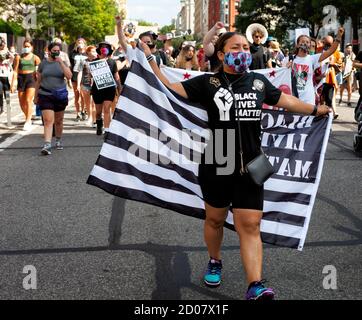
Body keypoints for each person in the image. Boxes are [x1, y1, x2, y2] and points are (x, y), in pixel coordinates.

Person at [139, 32, 331, 300]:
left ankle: (255, 285)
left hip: (252, 162)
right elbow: (171, 87)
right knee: (215, 219)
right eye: (235, 47)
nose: (243, 51)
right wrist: (149, 59)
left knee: (250, 225)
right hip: (218, 158)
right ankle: (215, 260)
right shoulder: (209, 83)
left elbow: (287, 102)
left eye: (246, 47)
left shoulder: (259, 82)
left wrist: (315, 110)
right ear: (221, 54)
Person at [282, 27, 344, 109]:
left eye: (307, 42)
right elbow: (281, 76)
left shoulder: (312, 59)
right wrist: (286, 68)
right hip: (292, 98)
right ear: (297, 45)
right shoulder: (289, 59)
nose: (305, 43)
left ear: (309, 45)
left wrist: (339, 37)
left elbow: (330, 51)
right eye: (302, 41)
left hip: (308, 99)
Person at [34, 42, 72, 155]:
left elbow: (69, 76)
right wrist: (35, 96)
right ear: (49, 51)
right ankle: (47, 145)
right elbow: (38, 81)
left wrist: (61, 62)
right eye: (54, 50)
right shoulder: (43, 64)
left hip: (60, 95)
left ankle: (58, 140)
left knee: (58, 121)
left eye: (58, 51)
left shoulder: (62, 62)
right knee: (48, 120)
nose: (56, 52)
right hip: (45, 94)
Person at [10, 39, 41, 131]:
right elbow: (15, 71)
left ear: (32, 47)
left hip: (31, 79)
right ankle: (28, 115)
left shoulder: (36, 58)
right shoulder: (18, 57)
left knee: (28, 100)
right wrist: (13, 83)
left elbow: (39, 72)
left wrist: (39, 81)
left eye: (28, 46)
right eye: (25, 46)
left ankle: (27, 121)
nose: (26, 48)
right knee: (21, 102)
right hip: (21, 78)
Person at [91, 41, 120, 136]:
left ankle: (107, 130)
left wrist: (119, 88)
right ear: (99, 49)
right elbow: (90, 75)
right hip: (97, 89)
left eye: (106, 47)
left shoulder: (112, 62)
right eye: (102, 47)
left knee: (107, 109)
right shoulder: (94, 62)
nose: (104, 48)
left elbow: (116, 76)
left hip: (109, 89)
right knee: (98, 112)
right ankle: (99, 123)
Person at [78, 45, 98, 127]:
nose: (94, 53)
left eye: (95, 51)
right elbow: (80, 72)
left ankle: (95, 119)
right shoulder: (83, 61)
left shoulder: (98, 61)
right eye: (92, 51)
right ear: (88, 52)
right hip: (85, 84)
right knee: (88, 103)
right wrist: (79, 85)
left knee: (94, 103)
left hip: (96, 85)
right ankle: (90, 118)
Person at [70, 38, 88, 121]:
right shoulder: (73, 54)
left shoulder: (87, 53)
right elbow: (70, 66)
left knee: (83, 95)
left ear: (84, 44)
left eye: (81, 42)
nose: (80, 44)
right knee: (76, 95)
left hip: (84, 76)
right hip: (75, 75)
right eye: (78, 43)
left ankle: (83, 111)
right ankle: (77, 113)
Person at [0, 37, 13, 114]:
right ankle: (1, 107)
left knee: (6, 93)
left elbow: (12, 58)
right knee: (0, 92)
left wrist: (7, 50)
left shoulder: (7, 55)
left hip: (6, 76)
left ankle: (8, 105)